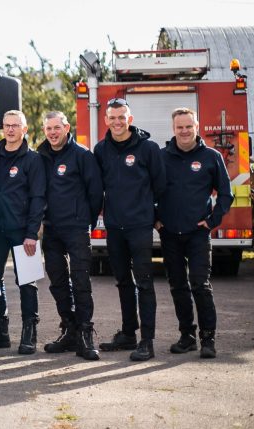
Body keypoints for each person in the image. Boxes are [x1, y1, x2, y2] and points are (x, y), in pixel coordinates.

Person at [157, 108, 232, 359]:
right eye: (180, 127)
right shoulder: (161, 157)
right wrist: (156, 221)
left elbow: (225, 193)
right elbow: (145, 190)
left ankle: (208, 338)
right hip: (169, 233)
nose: (184, 131)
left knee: (200, 284)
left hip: (198, 234)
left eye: (189, 126)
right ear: (173, 129)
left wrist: (212, 221)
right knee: (178, 285)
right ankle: (187, 336)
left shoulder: (211, 157)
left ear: (197, 126)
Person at [94, 97, 166, 361]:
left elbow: (161, 186)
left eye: (121, 117)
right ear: (106, 120)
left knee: (144, 283)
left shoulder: (148, 148)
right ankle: (128, 334)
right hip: (115, 226)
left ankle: (147, 341)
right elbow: (96, 187)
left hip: (139, 227)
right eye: (112, 117)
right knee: (123, 281)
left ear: (130, 120)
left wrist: (154, 215)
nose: (117, 122)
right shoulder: (101, 150)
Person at [37, 111, 103, 361]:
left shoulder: (82, 155)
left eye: (57, 127)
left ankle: (86, 334)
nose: (53, 133)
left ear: (66, 128)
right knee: (57, 282)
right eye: (48, 129)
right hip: (51, 229)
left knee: (81, 282)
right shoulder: (40, 155)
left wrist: (86, 219)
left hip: (76, 228)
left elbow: (95, 192)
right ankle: (70, 329)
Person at [0, 110, 46, 354]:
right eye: (7, 126)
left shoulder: (33, 159)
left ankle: (30, 332)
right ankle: (1, 330)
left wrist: (32, 233)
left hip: (23, 232)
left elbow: (38, 198)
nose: (10, 130)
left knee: (27, 281)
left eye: (15, 126)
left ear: (24, 129)